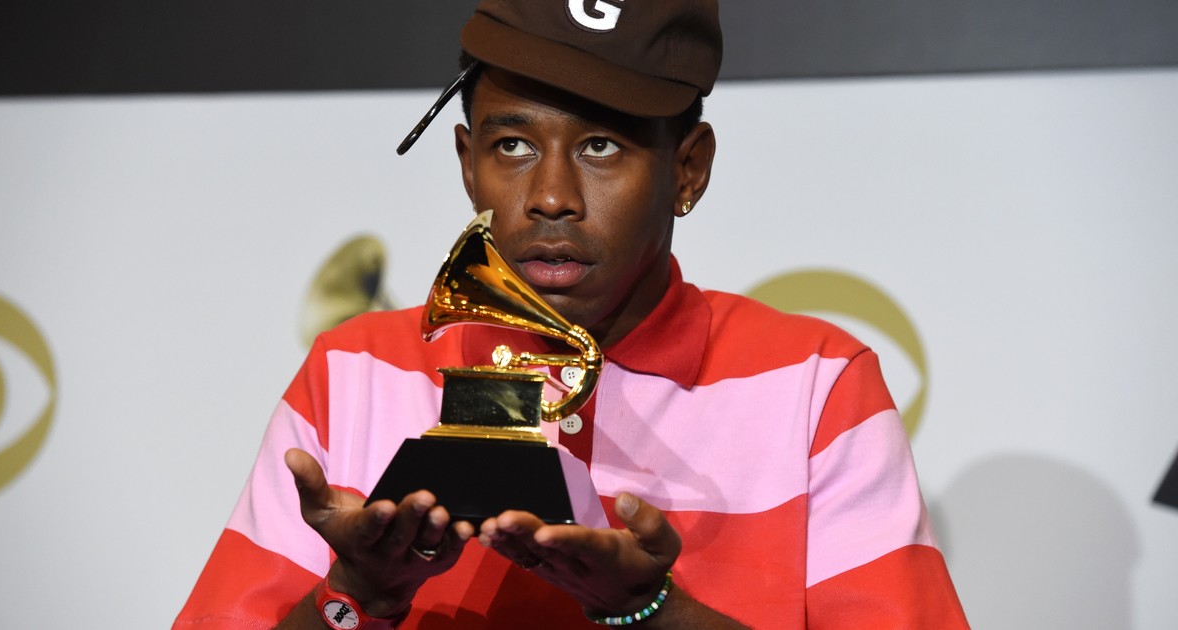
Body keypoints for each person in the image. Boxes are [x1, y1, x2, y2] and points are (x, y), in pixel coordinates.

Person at [175, 1, 969, 628]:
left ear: (688, 170)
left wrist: (649, 611)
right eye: (513, 146)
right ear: (467, 163)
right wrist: (357, 592)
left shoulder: (818, 386)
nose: (551, 196)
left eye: (601, 147)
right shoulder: (351, 370)